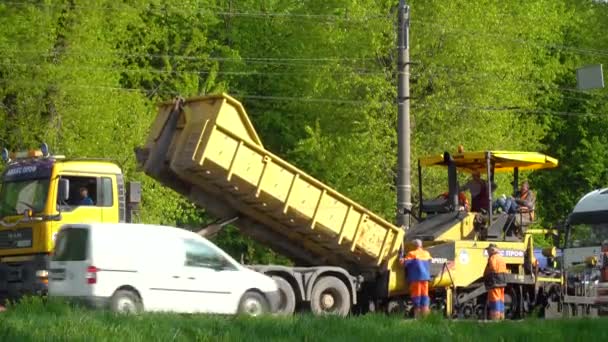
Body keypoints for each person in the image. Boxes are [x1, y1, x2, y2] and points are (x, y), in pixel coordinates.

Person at [400, 239, 432, 318]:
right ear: (421, 245)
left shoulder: (412, 253)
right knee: (425, 295)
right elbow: (431, 260)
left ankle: (417, 316)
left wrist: (401, 257)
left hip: (416, 278)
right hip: (425, 278)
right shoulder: (426, 253)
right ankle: (426, 316)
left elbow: (403, 263)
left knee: (416, 295)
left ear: (414, 246)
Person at [484, 243, 507, 320]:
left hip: (494, 282)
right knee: (501, 299)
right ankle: (501, 317)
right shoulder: (501, 258)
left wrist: (487, 275)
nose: (487, 252)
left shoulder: (492, 258)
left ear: (492, 250)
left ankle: (495, 318)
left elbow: (492, 268)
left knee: (494, 299)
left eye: (488, 250)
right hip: (502, 281)